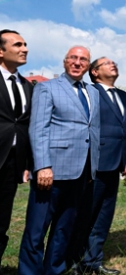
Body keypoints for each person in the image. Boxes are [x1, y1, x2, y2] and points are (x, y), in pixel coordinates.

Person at [18, 46, 101, 275]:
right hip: (51, 171)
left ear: (88, 66)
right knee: (36, 231)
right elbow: (38, 129)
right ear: (65, 62)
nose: (77, 62)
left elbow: (93, 130)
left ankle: (53, 270)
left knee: (64, 228)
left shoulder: (92, 92)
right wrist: (42, 165)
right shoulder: (47, 88)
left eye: (83, 59)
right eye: (73, 58)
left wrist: (93, 168)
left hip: (81, 172)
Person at [68, 58, 126, 275]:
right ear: (95, 72)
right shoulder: (89, 92)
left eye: (114, 62)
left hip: (115, 164)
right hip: (94, 162)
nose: (113, 64)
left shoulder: (124, 96)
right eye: (106, 63)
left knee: (104, 216)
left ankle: (93, 262)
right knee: (86, 213)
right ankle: (75, 260)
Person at [0, 30, 32, 271]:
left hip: (12, 163)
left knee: (2, 222)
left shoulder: (27, 86)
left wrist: (27, 162)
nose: (24, 49)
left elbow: (26, 125)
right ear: (1, 51)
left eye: (25, 44)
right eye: (18, 44)